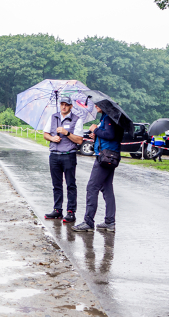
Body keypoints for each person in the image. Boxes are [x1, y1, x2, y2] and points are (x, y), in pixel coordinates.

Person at [72, 105, 124, 233]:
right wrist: (97, 137)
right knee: (107, 188)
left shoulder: (109, 118)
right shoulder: (108, 117)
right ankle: (109, 222)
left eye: (97, 104)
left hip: (104, 158)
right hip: (110, 157)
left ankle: (88, 222)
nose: (95, 106)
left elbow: (110, 135)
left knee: (92, 187)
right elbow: (108, 136)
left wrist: (95, 130)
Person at [43, 96, 84, 224]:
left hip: (68, 155)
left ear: (71, 106)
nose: (64, 107)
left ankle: (71, 211)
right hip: (54, 154)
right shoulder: (53, 117)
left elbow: (79, 140)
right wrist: (52, 138)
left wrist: (66, 133)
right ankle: (57, 210)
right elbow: (45, 134)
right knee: (56, 184)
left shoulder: (77, 120)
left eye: (66, 104)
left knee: (70, 184)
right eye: (62, 104)